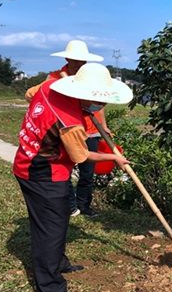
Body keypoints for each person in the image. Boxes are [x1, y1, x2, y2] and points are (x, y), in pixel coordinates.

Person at [13, 63, 133, 292]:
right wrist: (113, 158)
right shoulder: (70, 122)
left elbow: (29, 94)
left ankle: (59, 261)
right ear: (84, 95)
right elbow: (81, 156)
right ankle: (51, 288)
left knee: (56, 223)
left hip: (29, 157)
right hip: (42, 171)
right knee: (50, 228)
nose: (102, 106)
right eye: (99, 101)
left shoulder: (48, 86)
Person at [26, 40, 111, 218]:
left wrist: (104, 126)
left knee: (87, 172)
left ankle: (85, 205)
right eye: (76, 60)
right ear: (67, 58)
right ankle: (71, 206)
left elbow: (98, 104)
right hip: (66, 130)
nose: (80, 64)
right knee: (65, 169)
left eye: (83, 61)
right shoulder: (55, 78)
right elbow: (36, 96)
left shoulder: (90, 78)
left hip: (89, 130)